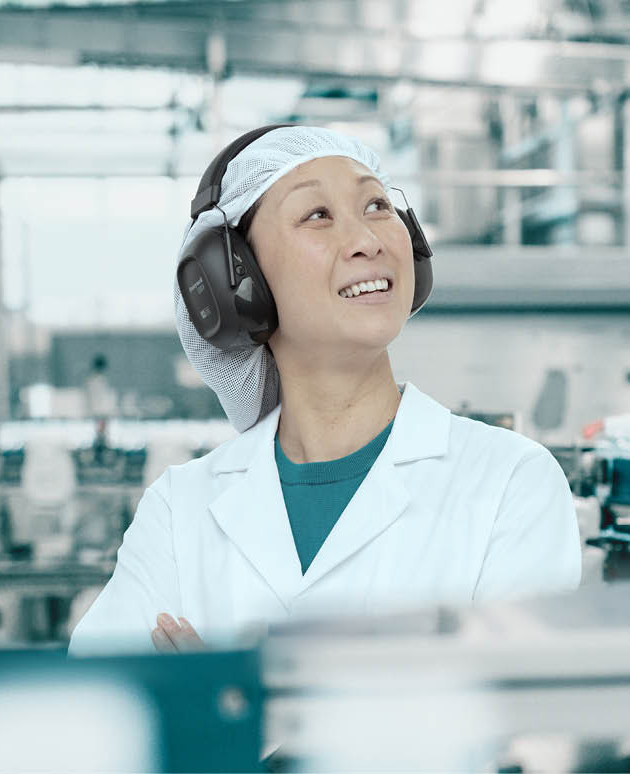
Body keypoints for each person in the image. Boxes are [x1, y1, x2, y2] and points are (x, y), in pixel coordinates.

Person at [68, 126, 581, 656]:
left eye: (378, 206)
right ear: (235, 280)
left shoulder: (510, 482)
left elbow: (518, 723)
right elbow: (96, 712)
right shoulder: (181, 509)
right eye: (317, 215)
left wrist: (227, 706)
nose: (368, 240)